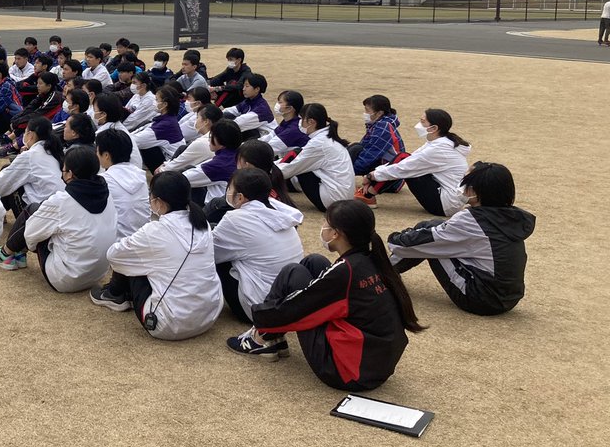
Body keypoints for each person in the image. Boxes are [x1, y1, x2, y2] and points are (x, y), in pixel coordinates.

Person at [227, 200, 425, 393]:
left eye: (326, 224)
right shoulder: (373, 259)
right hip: (375, 361)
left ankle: (260, 337)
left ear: (336, 234)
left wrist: (262, 317)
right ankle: (271, 337)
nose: (323, 229)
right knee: (314, 262)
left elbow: (300, 307)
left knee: (291, 274)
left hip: (350, 373)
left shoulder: (346, 271)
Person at [90, 171, 224, 341]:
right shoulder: (202, 223)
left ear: (159, 202)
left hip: (168, 324)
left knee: (131, 256)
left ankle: (115, 295)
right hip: (208, 315)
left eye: (150, 195)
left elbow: (114, 255)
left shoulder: (154, 231)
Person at [389, 162, 534, 315]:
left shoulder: (471, 220)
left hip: (481, 299)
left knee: (429, 241)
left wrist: (395, 239)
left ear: (478, 191)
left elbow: (424, 241)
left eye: (466, 180)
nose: (462, 184)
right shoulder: (512, 216)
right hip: (509, 297)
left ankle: (382, 272)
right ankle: (387, 269)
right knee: (432, 228)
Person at [0, 146, 117, 290]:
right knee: (51, 222)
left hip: (66, 278)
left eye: (64, 170)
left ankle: (6, 254)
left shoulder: (62, 201)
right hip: (98, 274)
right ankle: (16, 254)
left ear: (70, 174)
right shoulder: (107, 194)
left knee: (33, 212)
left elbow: (30, 233)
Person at [212, 168, 305, 323]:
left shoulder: (236, 219)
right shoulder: (280, 211)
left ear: (240, 197)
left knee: (210, 254)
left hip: (259, 308)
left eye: (231, 189)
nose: (228, 192)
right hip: (287, 300)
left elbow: (210, 253)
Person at [360, 108, 471, 216]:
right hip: (450, 200)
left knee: (404, 162)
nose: (418, 124)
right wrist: (374, 174)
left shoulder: (439, 148)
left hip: (445, 205)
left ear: (434, 128)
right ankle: (368, 192)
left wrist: (371, 176)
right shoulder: (440, 143)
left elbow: (405, 166)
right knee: (405, 160)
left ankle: (367, 195)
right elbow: (410, 159)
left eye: (422, 122)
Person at [277, 103, 354, 212]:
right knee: (299, 156)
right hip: (343, 197)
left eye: (301, 119)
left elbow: (293, 167)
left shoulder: (319, 143)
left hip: (333, 201)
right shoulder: (327, 137)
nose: (299, 123)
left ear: (311, 122)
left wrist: (265, 172)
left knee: (299, 166)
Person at [0, 116, 65, 217]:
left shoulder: (31, 155)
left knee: (11, 179)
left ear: (31, 135)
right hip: (57, 210)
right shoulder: (52, 151)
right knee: (14, 173)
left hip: (40, 214)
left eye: (25, 132)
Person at [349, 95, 407, 203]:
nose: (365, 114)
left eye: (367, 111)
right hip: (384, 169)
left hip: (390, 179)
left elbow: (369, 155)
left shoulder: (383, 127)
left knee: (355, 149)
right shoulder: (378, 124)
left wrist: (344, 171)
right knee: (355, 147)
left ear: (379, 113)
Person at [95, 128, 150, 240]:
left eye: (97, 151)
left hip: (118, 243)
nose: (96, 154)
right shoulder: (139, 175)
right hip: (142, 237)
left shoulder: (104, 181)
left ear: (106, 155)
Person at [132, 86, 186, 173]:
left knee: (138, 146)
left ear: (165, 104)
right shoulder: (168, 118)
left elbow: (135, 141)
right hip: (171, 159)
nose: (154, 102)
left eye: (156, 99)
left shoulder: (165, 125)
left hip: (170, 166)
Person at [223, 73, 275, 140]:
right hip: (255, 133)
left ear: (257, 89)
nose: (243, 89)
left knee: (229, 128)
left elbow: (239, 122)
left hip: (265, 139)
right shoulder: (248, 101)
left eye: (247, 86)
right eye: (243, 86)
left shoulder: (261, 108)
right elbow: (231, 110)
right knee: (227, 115)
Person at [262, 89, 309, 154]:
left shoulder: (294, 128)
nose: (277, 105)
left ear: (289, 108)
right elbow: (270, 136)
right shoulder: (287, 121)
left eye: (280, 102)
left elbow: (270, 148)